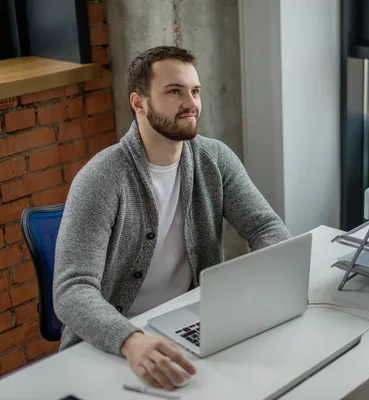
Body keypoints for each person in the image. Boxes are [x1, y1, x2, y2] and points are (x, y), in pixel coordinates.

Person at [53, 46, 291, 390]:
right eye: (174, 91)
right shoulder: (101, 179)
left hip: (190, 323)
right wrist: (131, 340)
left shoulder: (215, 159)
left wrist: (262, 289)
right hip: (115, 343)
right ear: (139, 102)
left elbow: (266, 227)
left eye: (195, 91)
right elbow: (71, 292)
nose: (191, 103)